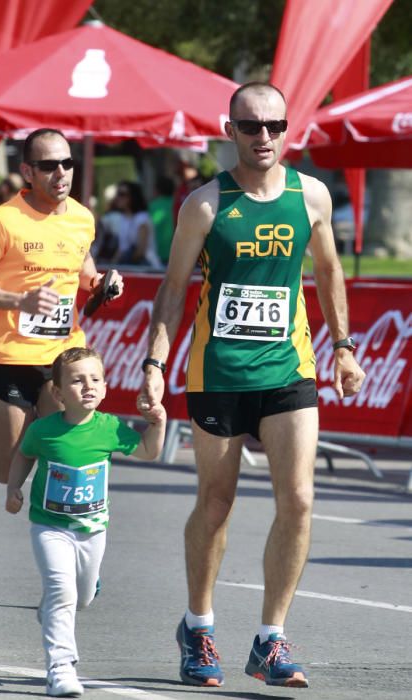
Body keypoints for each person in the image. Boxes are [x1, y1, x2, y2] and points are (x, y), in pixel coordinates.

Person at [139, 82, 366, 689]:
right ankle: (199, 625)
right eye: (249, 126)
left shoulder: (310, 195)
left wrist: (343, 347)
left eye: (273, 125)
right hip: (217, 372)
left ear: (287, 129)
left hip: (289, 368)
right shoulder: (205, 205)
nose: (262, 136)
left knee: (299, 499)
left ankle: (270, 638)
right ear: (229, 129)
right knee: (217, 503)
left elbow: (327, 271)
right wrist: (155, 364)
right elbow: (173, 288)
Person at [0, 127, 123, 518]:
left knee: (72, 447)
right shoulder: (3, 221)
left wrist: (99, 283)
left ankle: (78, 542)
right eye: (47, 166)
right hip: (10, 355)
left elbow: (82, 267)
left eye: (66, 163)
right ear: (27, 172)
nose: (60, 174)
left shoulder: (81, 217)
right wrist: (19, 300)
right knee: (9, 468)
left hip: (63, 354)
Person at [6, 346, 166, 697]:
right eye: (77, 381)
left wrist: (158, 422)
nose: (88, 386)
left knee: (80, 599)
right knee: (62, 590)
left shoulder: (109, 428)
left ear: (106, 387)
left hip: (92, 530)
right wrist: (14, 488)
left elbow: (148, 451)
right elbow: (24, 454)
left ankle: (54, 606)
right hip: (49, 527)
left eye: (95, 379)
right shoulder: (44, 430)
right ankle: (61, 669)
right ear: (59, 394)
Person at [112, 180, 161, 268]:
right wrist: (112, 265)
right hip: (132, 266)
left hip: (147, 267)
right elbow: (122, 249)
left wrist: (123, 263)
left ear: (133, 197)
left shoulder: (142, 218)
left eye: (122, 194)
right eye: (118, 194)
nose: (118, 197)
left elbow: (141, 250)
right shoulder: (123, 218)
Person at [148, 175, 175, 265]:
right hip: (178, 251)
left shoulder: (154, 206)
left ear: (157, 190)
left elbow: (151, 225)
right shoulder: (180, 203)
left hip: (160, 253)